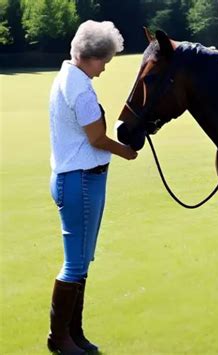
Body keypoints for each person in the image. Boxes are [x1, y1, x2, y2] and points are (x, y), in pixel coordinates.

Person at [48, 20, 137, 354]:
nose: (103, 70)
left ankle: (74, 334)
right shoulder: (81, 88)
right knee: (75, 264)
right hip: (81, 181)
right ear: (89, 56)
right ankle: (60, 339)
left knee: (82, 261)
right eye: (103, 62)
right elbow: (96, 137)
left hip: (76, 179)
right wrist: (125, 151)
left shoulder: (67, 78)